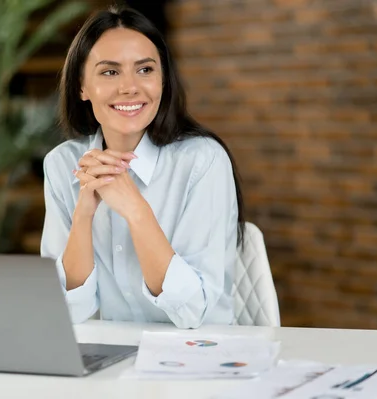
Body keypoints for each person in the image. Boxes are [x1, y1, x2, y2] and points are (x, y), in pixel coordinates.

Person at [40, 6, 245, 329]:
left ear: (163, 80)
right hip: (114, 363)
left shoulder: (202, 160)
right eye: (110, 72)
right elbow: (65, 312)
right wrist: (83, 213)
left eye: (145, 70)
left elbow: (195, 311)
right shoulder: (63, 163)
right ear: (82, 86)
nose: (130, 87)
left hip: (199, 357)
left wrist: (136, 211)